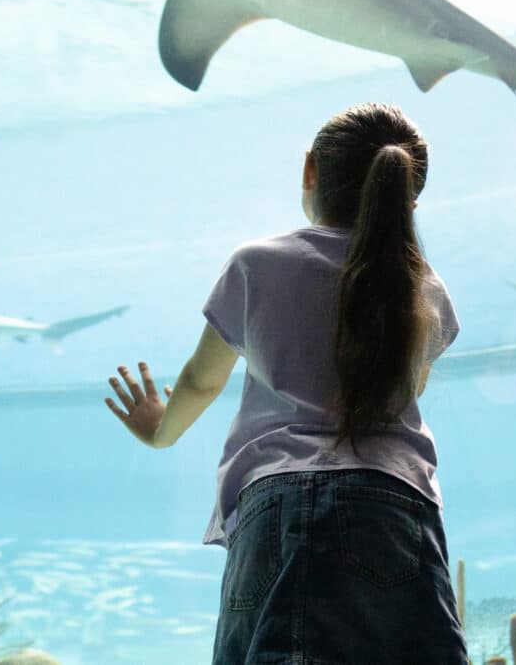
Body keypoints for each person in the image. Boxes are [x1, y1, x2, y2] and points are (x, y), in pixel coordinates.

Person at [102, 103, 467, 665]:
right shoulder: (425, 289)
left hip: (277, 503)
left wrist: (158, 430)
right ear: (408, 198)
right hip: (395, 501)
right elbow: (408, 386)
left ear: (309, 171)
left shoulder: (257, 265)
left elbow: (200, 381)